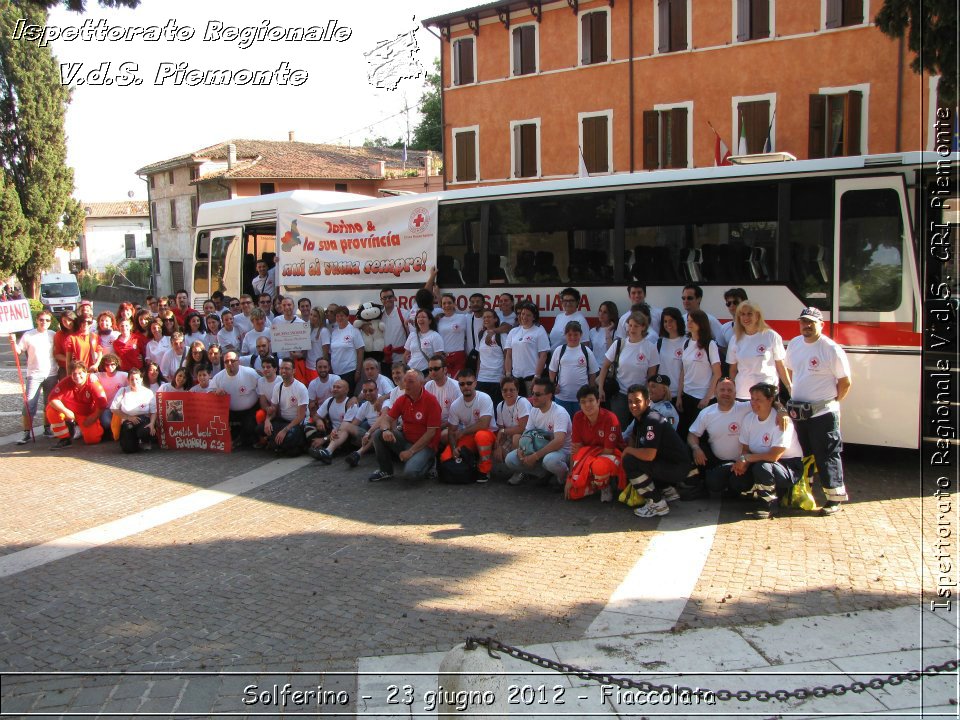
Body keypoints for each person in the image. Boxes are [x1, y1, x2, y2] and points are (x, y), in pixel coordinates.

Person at [784, 306, 852, 516]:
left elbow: (845, 381)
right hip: (799, 412)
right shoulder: (795, 344)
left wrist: (831, 402)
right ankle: (805, 492)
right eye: (803, 321)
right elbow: (788, 368)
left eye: (811, 322)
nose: (806, 326)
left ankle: (834, 498)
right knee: (803, 454)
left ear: (821, 325)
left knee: (827, 454)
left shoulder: (830, 349)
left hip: (823, 412)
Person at [732, 382, 805, 519]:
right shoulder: (749, 419)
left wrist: (746, 459)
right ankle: (754, 492)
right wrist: (743, 463)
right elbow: (745, 449)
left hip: (787, 465)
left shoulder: (781, 421)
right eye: (752, 399)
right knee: (736, 479)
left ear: (770, 400)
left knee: (762, 467)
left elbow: (774, 456)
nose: (753, 403)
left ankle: (769, 504)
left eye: (758, 399)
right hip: (759, 461)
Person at [621, 384, 691, 519]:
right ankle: (667, 490)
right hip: (668, 463)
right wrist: (631, 448)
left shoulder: (652, 419)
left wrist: (629, 450)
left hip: (677, 468)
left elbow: (649, 455)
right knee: (635, 457)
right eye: (630, 402)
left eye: (637, 401)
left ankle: (657, 504)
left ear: (647, 402)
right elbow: (633, 438)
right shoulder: (640, 418)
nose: (633, 405)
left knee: (629, 461)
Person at [368, 369, 442, 482]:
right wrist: (385, 430)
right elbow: (386, 419)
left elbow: (431, 433)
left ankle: (429, 462)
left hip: (425, 445)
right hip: (406, 440)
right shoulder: (402, 399)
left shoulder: (431, 401)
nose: (406, 384)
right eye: (405, 381)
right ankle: (386, 470)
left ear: (421, 384)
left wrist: (411, 451)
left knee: (410, 474)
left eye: (411, 381)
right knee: (379, 433)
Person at [688, 377, 753, 496]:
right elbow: (692, 435)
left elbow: (768, 402)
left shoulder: (746, 407)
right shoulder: (707, 413)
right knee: (690, 450)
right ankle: (699, 484)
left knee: (740, 485)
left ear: (735, 393)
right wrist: (696, 449)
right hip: (717, 460)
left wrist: (781, 411)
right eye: (722, 390)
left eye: (729, 390)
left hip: (743, 461)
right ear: (715, 392)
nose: (726, 393)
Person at [504, 377, 571, 490]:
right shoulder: (534, 410)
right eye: (532, 393)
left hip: (562, 452)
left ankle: (563, 478)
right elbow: (526, 434)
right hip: (540, 447)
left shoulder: (559, 413)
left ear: (549, 395)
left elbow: (559, 442)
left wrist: (535, 456)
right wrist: (521, 450)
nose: (533, 397)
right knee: (510, 459)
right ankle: (544, 474)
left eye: (538, 394)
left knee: (549, 461)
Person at [597, 311, 660, 428]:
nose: (632, 328)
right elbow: (605, 367)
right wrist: (600, 388)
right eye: (630, 325)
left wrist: (647, 396)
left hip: (639, 396)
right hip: (619, 394)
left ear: (643, 327)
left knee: (639, 428)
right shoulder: (619, 344)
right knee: (618, 427)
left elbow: (652, 376)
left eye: (636, 326)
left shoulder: (650, 348)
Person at [566, 385, 624, 502]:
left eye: (591, 400)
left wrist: (586, 451)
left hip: (613, 456)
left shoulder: (610, 418)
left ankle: (605, 486)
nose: (587, 405)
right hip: (589, 457)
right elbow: (575, 450)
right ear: (579, 405)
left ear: (598, 401)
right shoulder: (578, 417)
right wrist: (572, 475)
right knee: (573, 493)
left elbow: (609, 450)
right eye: (583, 402)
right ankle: (592, 483)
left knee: (598, 465)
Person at [441, 367, 497, 482]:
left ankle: (484, 470)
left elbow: (484, 424)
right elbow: (452, 431)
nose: (465, 386)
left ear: (475, 383)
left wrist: (463, 432)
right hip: (469, 436)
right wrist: (454, 448)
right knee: (445, 457)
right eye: (462, 384)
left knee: (481, 436)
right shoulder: (456, 405)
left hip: (488, 435)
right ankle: (472, 461)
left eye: (469, 383)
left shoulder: (484, 398)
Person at [727, 301, 791, 400]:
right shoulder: (735, 339)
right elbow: (733, 369)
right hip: (743, 393)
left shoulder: (771, 336)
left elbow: (781, 366)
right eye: (742, 314)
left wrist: (789, 387)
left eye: (749, 314)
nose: (746, 317)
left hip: (767, 393)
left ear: (757, 316)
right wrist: (732, 389)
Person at [676, 309, 721, 438]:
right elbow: (683, 371)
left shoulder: (710, 344)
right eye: (688, 320)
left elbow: (717, 373)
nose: (689, 323)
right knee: (684, 433)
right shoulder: (686, 343)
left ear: (701, 323)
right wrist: (679, 396)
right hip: (687, 396)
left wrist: (707, 398)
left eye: (693, 321)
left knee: (701, 436)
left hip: (702, 399)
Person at [15, 311, 57, 444]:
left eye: (47, 320)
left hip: (51, 373)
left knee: (49, 404)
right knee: (29, 404)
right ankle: (26, 432)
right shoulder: (28, 335)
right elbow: (19, 350)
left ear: (50, 322)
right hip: (34, 374)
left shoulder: (53, 335)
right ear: (37, 320)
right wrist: (13, 344)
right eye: (42, 320)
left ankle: (47, 428)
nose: (44, 322)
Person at [46, 361, 109, 449]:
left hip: (85, 413)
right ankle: (64, 438)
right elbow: (51, 399)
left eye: (80, 373)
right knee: (51, 410)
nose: (77, 376)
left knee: (92, 440)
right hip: (70, 411)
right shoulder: (66, 381)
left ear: (86, 372)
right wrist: (66, 412)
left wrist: (93, 417)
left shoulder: (93, 383)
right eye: (74, 374)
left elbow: (102, 404)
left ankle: (85, 428)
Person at [209, 348, 265, 448]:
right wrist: (215, 392)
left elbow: (263, 385)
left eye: (232, 361)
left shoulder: (250, 373)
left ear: (238, 361)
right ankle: (237, 439)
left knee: (250, 427)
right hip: (230, 412)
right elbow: (209, 393)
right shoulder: (218, 377)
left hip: (250, 411)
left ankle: (244, 439)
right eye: (226, 361)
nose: (229, 364)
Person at [548, 320, 600, 417]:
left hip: (582, 398)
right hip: (562, 397)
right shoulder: (559, 350)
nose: (573, 337)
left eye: (576, 334)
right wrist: (553, 385)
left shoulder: (586, 351)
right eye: (570, 334)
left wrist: (591, 391)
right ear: (565, 335)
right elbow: (552, 370)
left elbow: (593, 374)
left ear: (581, 334)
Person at [259, 358, 307, 456]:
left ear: (294, 371)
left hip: (296, 424)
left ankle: (277, 445)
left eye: (287, 368)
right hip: (282, 421)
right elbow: (273, 409)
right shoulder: (278, 387)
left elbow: (301, 416)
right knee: (260, 428)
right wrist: (267, 420)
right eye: (281, 368)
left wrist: (285, 430)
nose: (283, 371)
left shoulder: (301, 388)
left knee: (289, 436)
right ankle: (280, 445)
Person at [504, 302, 549, 397]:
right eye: (523, 314)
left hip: (532, 379)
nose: (524, 317)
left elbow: (543, 355)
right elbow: (508, 355)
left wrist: (537, 376)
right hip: (515, 379)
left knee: (533, 407)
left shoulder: (539, 331)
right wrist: (508, 374)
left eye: (528, 315)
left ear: (534, 317)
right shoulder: (513, 331)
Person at [308, 377, 355, 462]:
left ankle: (327, 451)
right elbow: (316, 416)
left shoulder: (351, 404)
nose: (335, 389)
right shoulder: (329, 400)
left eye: (338, 387)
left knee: (343, 431)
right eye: (334, 387)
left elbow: (344, 427)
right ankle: (317, 447)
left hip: (344, 435)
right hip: (331, 432)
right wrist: (319, 420)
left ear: (346, 390)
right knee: (308, 425)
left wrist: (324, 439)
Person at [110, 368, 157, 453]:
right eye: (132, 379)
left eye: (137, 379)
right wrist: (129, 417)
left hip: (144, 420)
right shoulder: (123, 391)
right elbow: (113, 408)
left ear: (141, 379)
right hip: (128, 420)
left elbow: (154, 411)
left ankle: (145, 441)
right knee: (128, 450)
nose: (134, 382)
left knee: (145, 431)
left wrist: (152, 423)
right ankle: (133, 442)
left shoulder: (148, 392)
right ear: (128, 380)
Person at [493, 375, 531, 466]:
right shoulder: (500, 406)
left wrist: (503, 431)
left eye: (511, 390)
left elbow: (522, 428)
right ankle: (515, 468)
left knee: (516, 437)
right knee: (496, 451)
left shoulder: (522, 402)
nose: (508, 392)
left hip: (526, 435)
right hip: (510, 434)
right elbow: (501, 433)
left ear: (517, 391)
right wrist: (498, 446)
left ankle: (520, 469)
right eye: (505, 390)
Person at [423, 354, 462, 442]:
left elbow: (458, 417)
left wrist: (437, 427)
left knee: (443, 435)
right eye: (430, 369)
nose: (433, 372)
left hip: (452, 425)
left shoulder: (455, 387)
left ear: (445, 369)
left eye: (436, 369)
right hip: (433, 425)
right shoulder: (428, 386)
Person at [328, 305, 365, 394]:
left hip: (349, 371)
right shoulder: (334, 332)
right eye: (337, 316)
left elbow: (360, 350)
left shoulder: (354, 330)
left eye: (342, 315)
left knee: (347, 398)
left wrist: (358, 371)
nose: (340, 318)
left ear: (347, 317)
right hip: (336, 372)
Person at [475, 308, 506, 406]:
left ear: (495, 319)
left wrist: (504, 375)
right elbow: (480, 356)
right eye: (484, 317)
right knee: (482, 408)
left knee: (496, 408)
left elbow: (507, 355)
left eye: (489, 317)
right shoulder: (481, 334)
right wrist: (477, 375)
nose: (486, 319)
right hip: (482, 378)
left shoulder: (501, 334)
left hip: (496, 378)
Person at [680, 284, 726, 349]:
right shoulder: (680, 319)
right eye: (683, 298)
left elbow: (722, 345)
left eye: (689, 298)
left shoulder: (710, 320)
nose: (685, 301)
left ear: (699, 299)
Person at [93, 353, 128, 435]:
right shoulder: (99, 376)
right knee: (106, 423)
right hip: (107, 408)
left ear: (116, 364)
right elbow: (87, 377)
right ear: (103, 365)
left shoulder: (124, 375)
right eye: (107, 365)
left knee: (123, 424)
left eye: (112, 364)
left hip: (120, 408)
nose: (110, 367)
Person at [437, 293, 469, 377]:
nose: (447, 305)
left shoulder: (463, 317)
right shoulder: (438, 320)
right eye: (444, 303)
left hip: (458, 356)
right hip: (444, 357)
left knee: (456, 384)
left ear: (454, 304)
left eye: (449, 303)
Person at [404, 308, 445, 373]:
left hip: (425, 372)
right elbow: (405, 354)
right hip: (410, 371)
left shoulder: (435, 336)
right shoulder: (412, 335)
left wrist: (429, 377)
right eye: (418, 317)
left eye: (423, 317)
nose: (420, 319)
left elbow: (438, 359)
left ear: (429, 321)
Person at [655, 306, 686, 392]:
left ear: (678, 321)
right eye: (665, 321)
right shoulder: (659, 343)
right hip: (661, 392)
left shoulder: (687, 342)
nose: (668, 324)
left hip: (680, 393)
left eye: (671, 321)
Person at [378, 287, 409, 373]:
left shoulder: (404, 313)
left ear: (394, 298)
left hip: (400, 359)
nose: (387, 299)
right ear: (381, 300)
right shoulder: (378, 316)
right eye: (384, 298)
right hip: (384, 360)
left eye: (390, 297)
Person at [53, 310, 76, 379]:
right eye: (64, 321)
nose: (67, 323)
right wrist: (69, 359)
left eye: (69, 320)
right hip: (65, 368)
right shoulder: (59, 334)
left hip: (81, 367)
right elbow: (57, 355)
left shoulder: (80, 332)